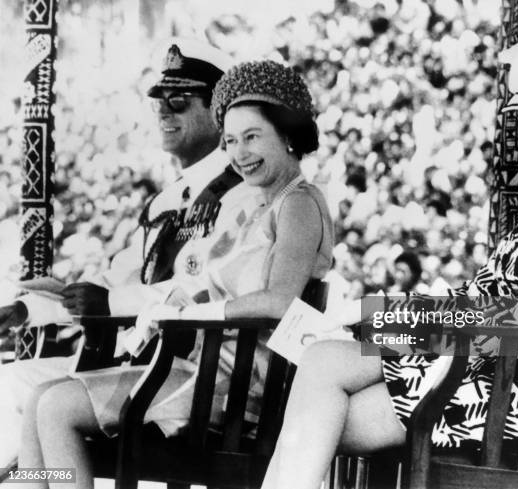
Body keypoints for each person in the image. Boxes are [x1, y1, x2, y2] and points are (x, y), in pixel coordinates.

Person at [260, 39, 518, 489]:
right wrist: (383, 318)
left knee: (316, 418)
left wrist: (394, 320)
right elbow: (484, 297)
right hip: (487, 371)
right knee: (321, 373)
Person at [18, 60, 334, 489]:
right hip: (205, 373)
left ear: (288, 134)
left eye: (253, 137)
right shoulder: (258, 204)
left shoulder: (298, 203)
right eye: (232, 141)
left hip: (234, 388)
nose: (240, 153)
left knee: (55, 407)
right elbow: (203, 282)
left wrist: (194, 312)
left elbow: (280, 301)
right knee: (40, 400)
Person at [0, 38, 251, 470]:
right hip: (146, 361)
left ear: (220, 113)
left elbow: (208, 291)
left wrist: (111, 303)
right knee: (13, 382)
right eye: (159, 103)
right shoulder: (166, 200)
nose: (165, 112)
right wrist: (26, 310)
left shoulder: (240, 194)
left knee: (37, 400)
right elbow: (111, 285)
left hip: (202, 375)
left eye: (180, 101)